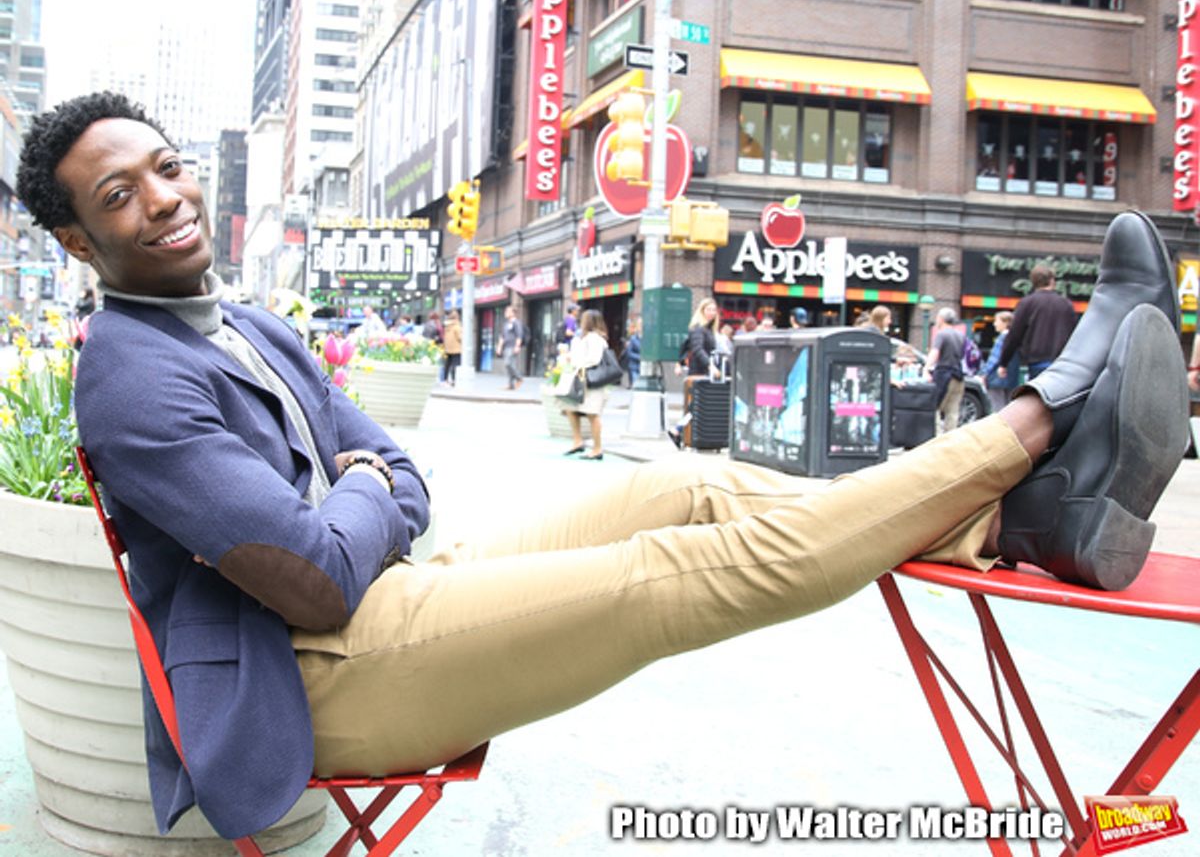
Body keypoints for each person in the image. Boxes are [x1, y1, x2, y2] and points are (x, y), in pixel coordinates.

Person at [18, 92, 1188, 842]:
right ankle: (1042, 421)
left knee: (678, 483)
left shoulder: (233, 317)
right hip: (317, 672)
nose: (165, 199)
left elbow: (392, 466)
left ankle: (1026, 520)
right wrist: (369, 494)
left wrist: (366, 492)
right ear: (77, 241)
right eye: (121, 195)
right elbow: (320, 578)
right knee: (663, 572)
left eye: (168, 167)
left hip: (382, 589)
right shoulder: (130, 378)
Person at [997, 264, 1077, 382]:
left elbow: (1014, 335)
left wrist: (1004, 362)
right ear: (1051, 281)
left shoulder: (1026, 303)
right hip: (1061, 362)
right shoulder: (1066, 305)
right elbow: (1075, 335)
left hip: (1036, 362)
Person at [559, 308, 612, 460]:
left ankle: (597, 448)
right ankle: (578, 441)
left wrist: (576, 363)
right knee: (571, 408)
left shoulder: (595, 338)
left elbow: (594, 359)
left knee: (592, 414)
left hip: (592, 380)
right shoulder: (586, 338)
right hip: (584, 379)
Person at [924, 307, 965, 433]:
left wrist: (926, 368)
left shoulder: (941, 334)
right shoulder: (961, 336)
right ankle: (950, 439)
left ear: (941, 319)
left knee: (935, 407)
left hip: (943, 374)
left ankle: (937, 437)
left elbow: (935, 352)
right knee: (953, 411)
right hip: (959, 376)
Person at [983, 310, 1021, 411]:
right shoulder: (1015, 339)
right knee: (1009, 409)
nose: (994, 324)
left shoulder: (1001, 339)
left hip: (996, 378)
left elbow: (994, 358)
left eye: (996, 321)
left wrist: (984, 373)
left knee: (997, 409)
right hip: (1012, 379)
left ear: (1005, 323)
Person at [680, 297, 719, 377]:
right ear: (702, 311)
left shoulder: (708, 329)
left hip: (704, 372)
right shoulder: (698, 328)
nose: (712, 313)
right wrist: (710, 365)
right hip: (699, 372)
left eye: (714, 310)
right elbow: (697, 349)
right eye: (709, 309)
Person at [499, 304, 525, 389]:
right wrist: (499, 347)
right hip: (506, 346)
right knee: (509, 365)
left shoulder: (516, 323)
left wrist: (517, 346)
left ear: (513, 313)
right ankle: (511, 385)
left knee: (508, 364)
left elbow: (519, 335)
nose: (505, 313)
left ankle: (519, 378)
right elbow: (502, 336)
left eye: (507, 311)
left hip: (513, 346)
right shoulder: (506, 324)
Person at [441, 310, 462, 386]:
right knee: (455, 365)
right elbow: (460, 337)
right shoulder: (457, 326)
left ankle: (444, 380)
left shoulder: (447, 326)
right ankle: (454, 380)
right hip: (456, 348)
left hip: (448, 348)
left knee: (447, 365)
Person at [620, 314, 641, 387]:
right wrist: (639, 357)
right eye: (640, 325)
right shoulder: (633, 339)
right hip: (634, 366)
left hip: (643, 367)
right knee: (636, 385)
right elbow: (629, 353)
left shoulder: (649, 339)